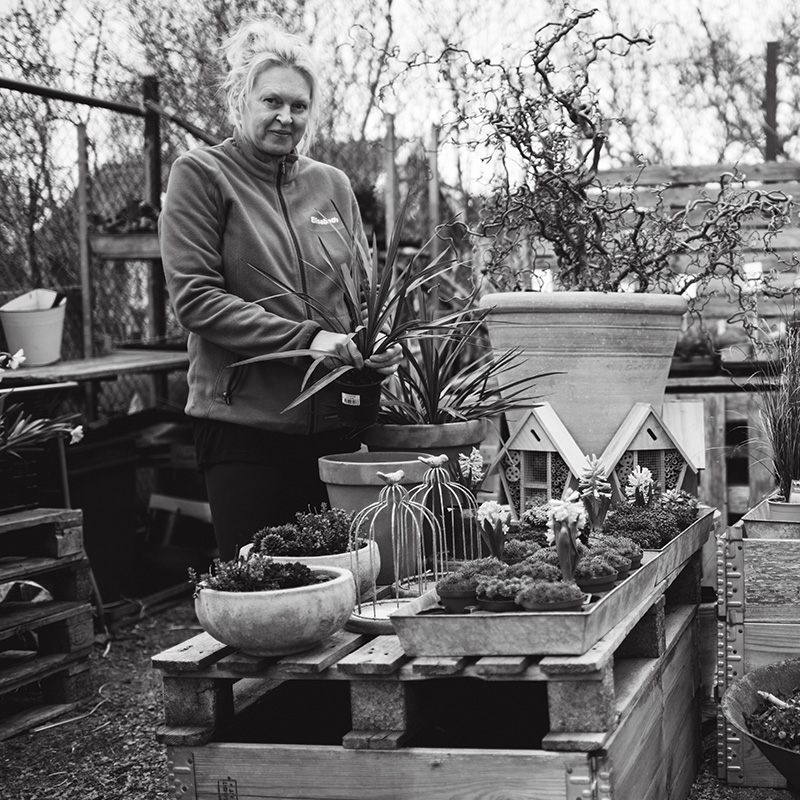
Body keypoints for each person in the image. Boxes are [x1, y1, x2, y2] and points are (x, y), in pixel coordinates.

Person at [159, 17, 401, 562]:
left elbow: (360, 293)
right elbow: (197, 299)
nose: (285, 117)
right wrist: (309, 340)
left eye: (298, 106)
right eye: (271, 101)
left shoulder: (332, 184)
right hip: (245, 429)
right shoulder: (201, 175)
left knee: (347, 584)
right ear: (240, 98)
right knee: (262, 587)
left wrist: (377, 338)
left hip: (334, 424)